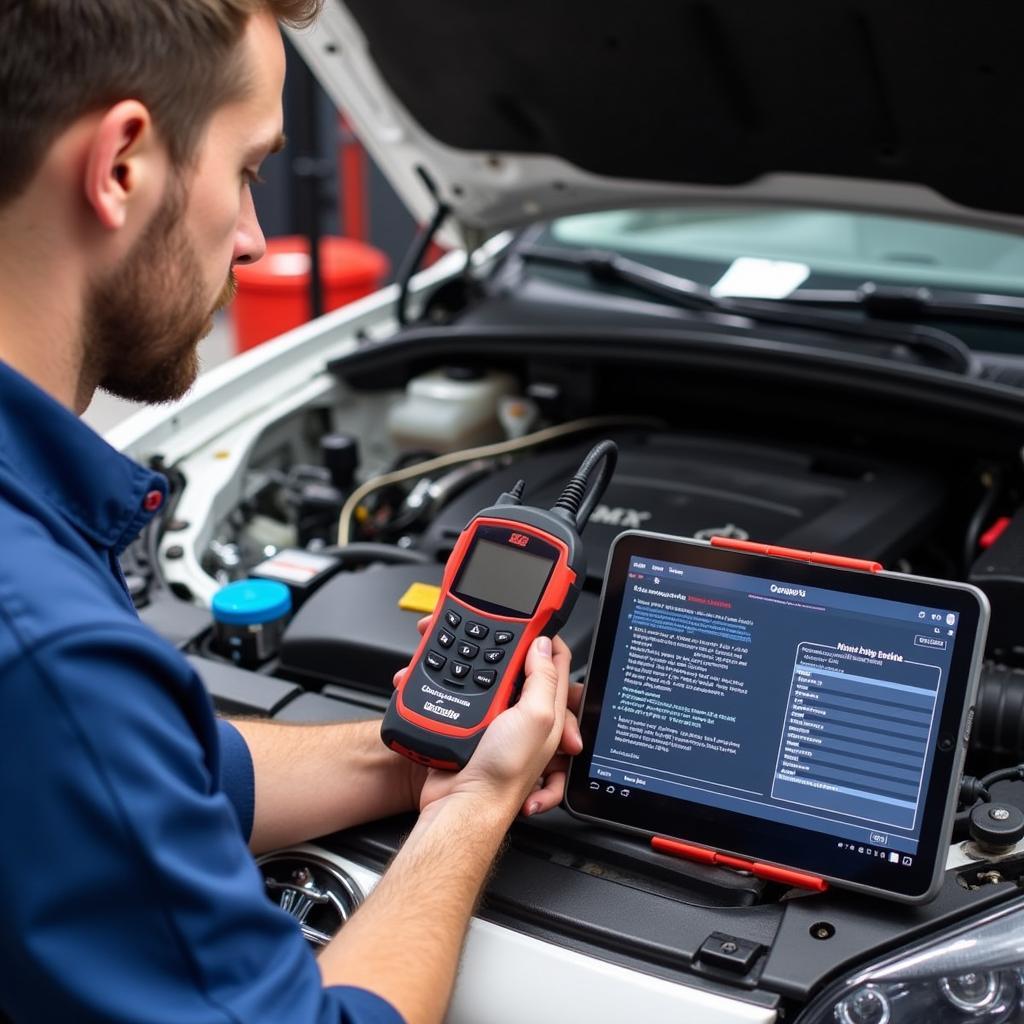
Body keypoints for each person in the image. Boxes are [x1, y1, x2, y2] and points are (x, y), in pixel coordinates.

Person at [0, 3, 582, 1022]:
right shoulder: (46, 653)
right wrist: (474, 809)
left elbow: (158, 772)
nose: (258, 240)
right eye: (249, 170)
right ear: (123, 164)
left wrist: (413, 755)